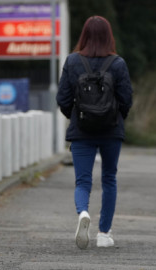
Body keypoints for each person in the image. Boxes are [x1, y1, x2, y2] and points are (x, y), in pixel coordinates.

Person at [56, 15, 133, 249]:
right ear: (109, 36)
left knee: (82, 181)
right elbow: (126, 99)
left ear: (84, 35)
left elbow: (63, 99)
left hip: (82, 130)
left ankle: (83, 213)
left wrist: (79, 118)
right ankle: (104, 233)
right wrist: (115, 119)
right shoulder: (118, 63)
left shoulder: (72, 61)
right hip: (111, 131)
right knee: (109, 178)